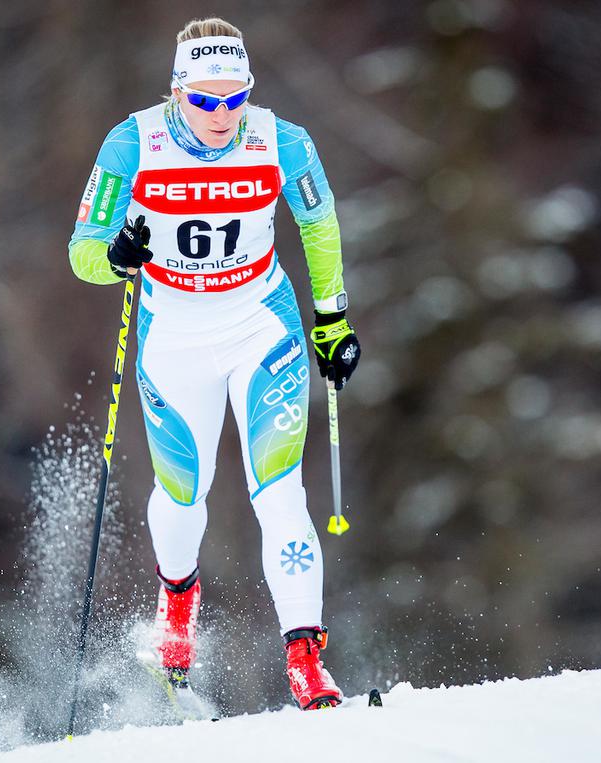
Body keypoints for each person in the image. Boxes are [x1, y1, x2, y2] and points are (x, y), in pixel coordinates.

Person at [67, 17, 360, 710]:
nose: (222, 115)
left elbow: (319, 224)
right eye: (205, 100)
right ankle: (177, 600)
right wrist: (117, 258)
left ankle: (306, 657)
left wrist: (333, 317)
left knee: (279, 488)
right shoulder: (131, 142)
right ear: (178, 91)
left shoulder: (282, 140)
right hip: (173, 336)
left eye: (235, 98)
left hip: (262, 326)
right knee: (183, 493)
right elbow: (82, 251)